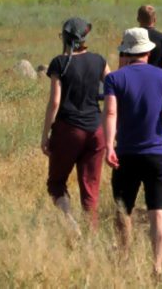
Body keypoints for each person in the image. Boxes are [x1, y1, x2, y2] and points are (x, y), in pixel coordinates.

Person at [104, 28, 162, 277]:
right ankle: (157, 265)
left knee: (123, 209)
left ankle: (123, 257)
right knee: (157, 212)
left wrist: (108, 146)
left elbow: (110, 113)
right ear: (149, 52)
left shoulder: (114, 79)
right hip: (158, 152)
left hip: (126, 152)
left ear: (126, 53)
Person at [41, 17, 109, 230]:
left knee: (56, 183)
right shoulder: (99, 60)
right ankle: (91, 237)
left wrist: (45, 135)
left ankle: (71, 224)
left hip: (68, 130)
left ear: (66, 38)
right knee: (90, 187)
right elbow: (113, 88)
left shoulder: (59, 63)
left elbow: (55, 102)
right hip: (96, 131)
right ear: (84, 37)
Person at [137, 5, 162, 85]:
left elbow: (123, 66)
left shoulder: (131, 39)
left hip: (136, 82)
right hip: (157, 82)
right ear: (155, 19)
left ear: (138, 19)